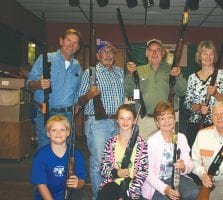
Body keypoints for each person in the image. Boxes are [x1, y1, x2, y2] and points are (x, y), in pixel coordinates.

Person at [77, 41, 124, 200]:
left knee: (114, 162)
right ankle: (98, 197)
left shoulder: (120, 73)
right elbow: (80, 100)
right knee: (98, 162)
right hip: (98, 124)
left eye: (111, 52)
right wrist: (90, 95)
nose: (108, 55)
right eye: (104, 52)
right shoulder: (90, 73)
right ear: (98, 56)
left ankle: (111, 195)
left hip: (118, 123)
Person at [26, 28, 82, 149]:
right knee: (45, 151)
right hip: (46, 113)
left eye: (75, 42)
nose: (71, 44)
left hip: (67, 115)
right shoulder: (44, 58)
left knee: (67, 153)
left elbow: (78, 89)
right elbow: (28, 84)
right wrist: (38, 84)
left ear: (78, 47)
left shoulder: (77, 66)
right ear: (61, 41)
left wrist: (78, 104)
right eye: (68, 40)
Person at [125, 39, 187, 139]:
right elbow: (129, 92)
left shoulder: (172, 69)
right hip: (145, 120)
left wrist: (178, 75)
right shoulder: (139, 70)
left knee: (171, 148)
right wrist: (129, 74)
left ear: (163, 53)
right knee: (144, 150)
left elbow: (182, 91)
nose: (154, 53)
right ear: (146, 53)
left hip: (169, 120)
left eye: (158, 50)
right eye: (151, 50)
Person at [142, 101, 199, 200]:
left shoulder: (181, 137)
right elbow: (147, 173)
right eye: (162, 118)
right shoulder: (152, 141)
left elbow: (190, 164)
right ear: (157, 122)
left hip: (179, 178)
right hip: (158, 182)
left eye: (170, 117)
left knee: (194, 192)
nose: (167, 121)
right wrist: (165, 189)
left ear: (174, 119)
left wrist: (184, 166)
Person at [184, 40, 223, 147]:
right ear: (199, 56)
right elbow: (187, 103)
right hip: (196, 124)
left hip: (218, 124)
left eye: (211, 54)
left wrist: (216, 93)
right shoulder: (192, 78)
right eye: (204, 54)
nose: (208, 57)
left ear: (214, 56)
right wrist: (199, 107)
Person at [98, 104, 148, 200]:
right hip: (113, 184)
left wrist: (126, 195)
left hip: (133, 187)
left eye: (129, 118)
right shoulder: (110, 143)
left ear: (134, 120)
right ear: (117, 120)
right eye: (122, 118)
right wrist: (116, 173)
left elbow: (143, 172)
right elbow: (103, 168)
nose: (125, 122)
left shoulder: (142, 144)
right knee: (103, 194)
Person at [31, 115, 87, 200]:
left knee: (82, 196)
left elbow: (82, 181)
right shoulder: (40, 156)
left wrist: (78, 183)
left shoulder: (76, 155)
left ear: (68, 132)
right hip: (47, 197)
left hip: (69, 196)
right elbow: (41, 185)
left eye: (62, 130)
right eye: (54, 130)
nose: (58, 133)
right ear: (48, 133)